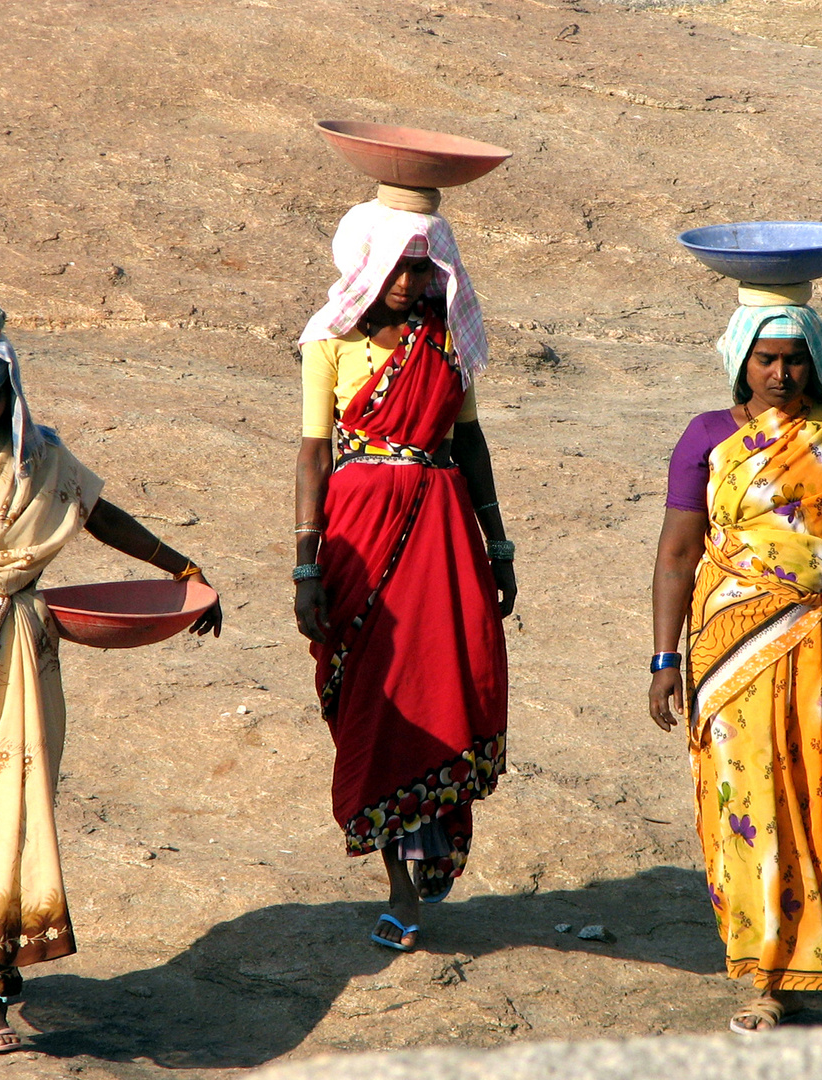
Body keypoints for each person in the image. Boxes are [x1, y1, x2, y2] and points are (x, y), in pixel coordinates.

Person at [0, 300, 222, 1053]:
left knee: (15, 817)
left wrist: (179, 568)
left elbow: (102, 516)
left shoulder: (40, 459)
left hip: (24, 655)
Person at [647, 289, 822, 1033]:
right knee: (745, 803)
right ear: (740, 360)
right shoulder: (705, 437)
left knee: (809, 794)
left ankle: (787, 968)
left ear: (815, 361)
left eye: (794, 359)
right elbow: (675, 553)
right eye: (766, 359)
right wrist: (664, 658)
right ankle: (761, 962)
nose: (781, 375)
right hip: (727, 648)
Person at [293, 195, 513, 953]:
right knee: (376, 701)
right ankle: (397, 881)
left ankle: (429, 851)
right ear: (366, 263)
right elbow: (313, 453)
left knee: (444, 681)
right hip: (357, 535)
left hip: (443, 531)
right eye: (397, 264)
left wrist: (500, 543)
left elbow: (472, 443)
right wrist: (305, 564)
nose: (409, 279)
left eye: (422, 265)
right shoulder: (328, 339)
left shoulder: (449, 340)